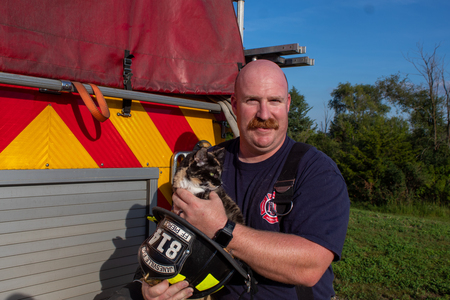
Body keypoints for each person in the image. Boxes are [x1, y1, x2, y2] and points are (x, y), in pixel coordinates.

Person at [141, 59, 350, 300]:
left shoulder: (315, 171)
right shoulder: (208, 164)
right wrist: (154, 282)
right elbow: (172, 241)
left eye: (274, 100)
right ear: (235, 104)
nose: (264, 114)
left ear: (288, 104)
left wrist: (222, 229)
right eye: (252, 100)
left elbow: (310, 267)